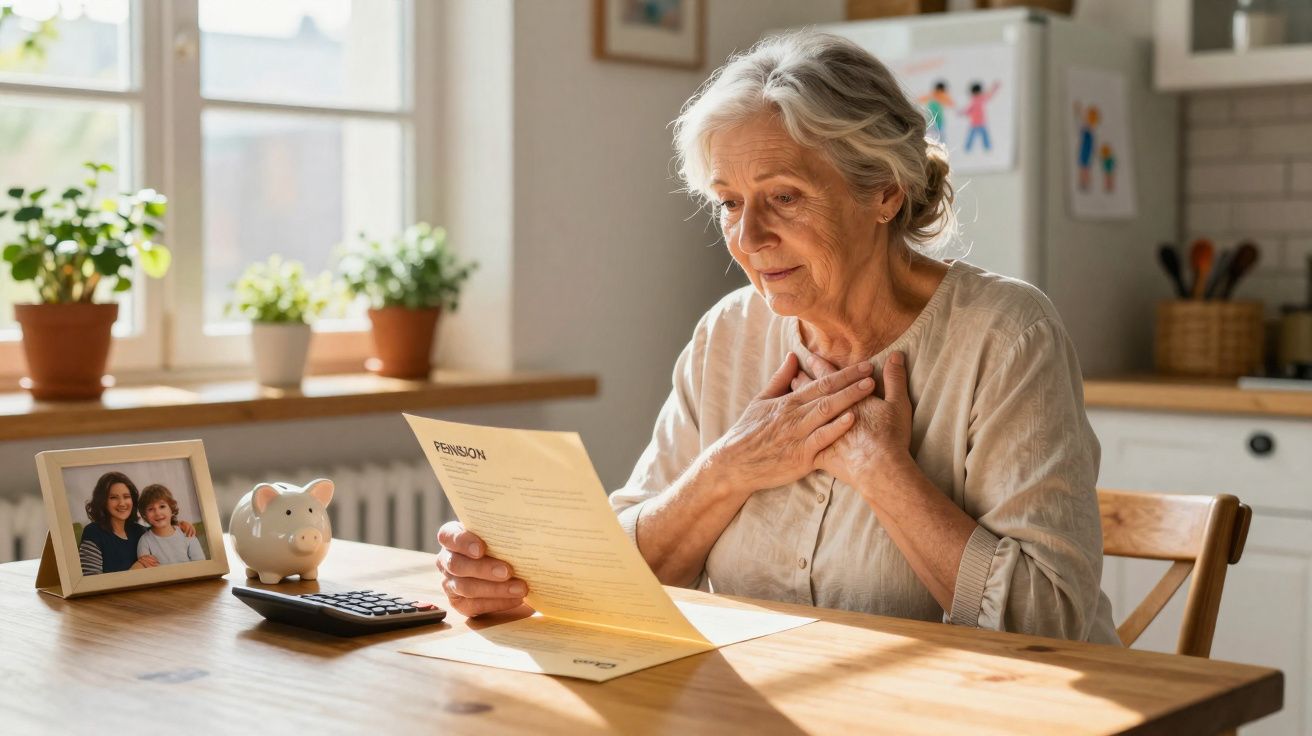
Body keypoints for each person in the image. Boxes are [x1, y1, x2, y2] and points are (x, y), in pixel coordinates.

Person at [435, 31, 1118, 644]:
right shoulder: (727, 334)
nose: (749, 237)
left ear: (884, 191)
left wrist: (881, 469)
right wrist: (729, 467)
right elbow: (620, 580)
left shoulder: (1007, 335)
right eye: (729, 203)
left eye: (784, 197)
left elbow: (1047, 625)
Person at [78, 471, 197, 575]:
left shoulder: (139, 531)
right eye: (113, 497)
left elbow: (163, 530)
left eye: (126, 496)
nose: (122, 503)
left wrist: (180, 524)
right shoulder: (93, 532)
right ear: (103, 501)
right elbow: (91, 582)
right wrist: (134, 571)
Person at [137, 484, 205, 565]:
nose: (157, 512)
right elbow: (146, 569)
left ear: (171, 509)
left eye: (162, 506)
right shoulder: (144, 541)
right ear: (145, 515)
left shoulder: (187, 533)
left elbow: (201, 564)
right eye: (151, 509)